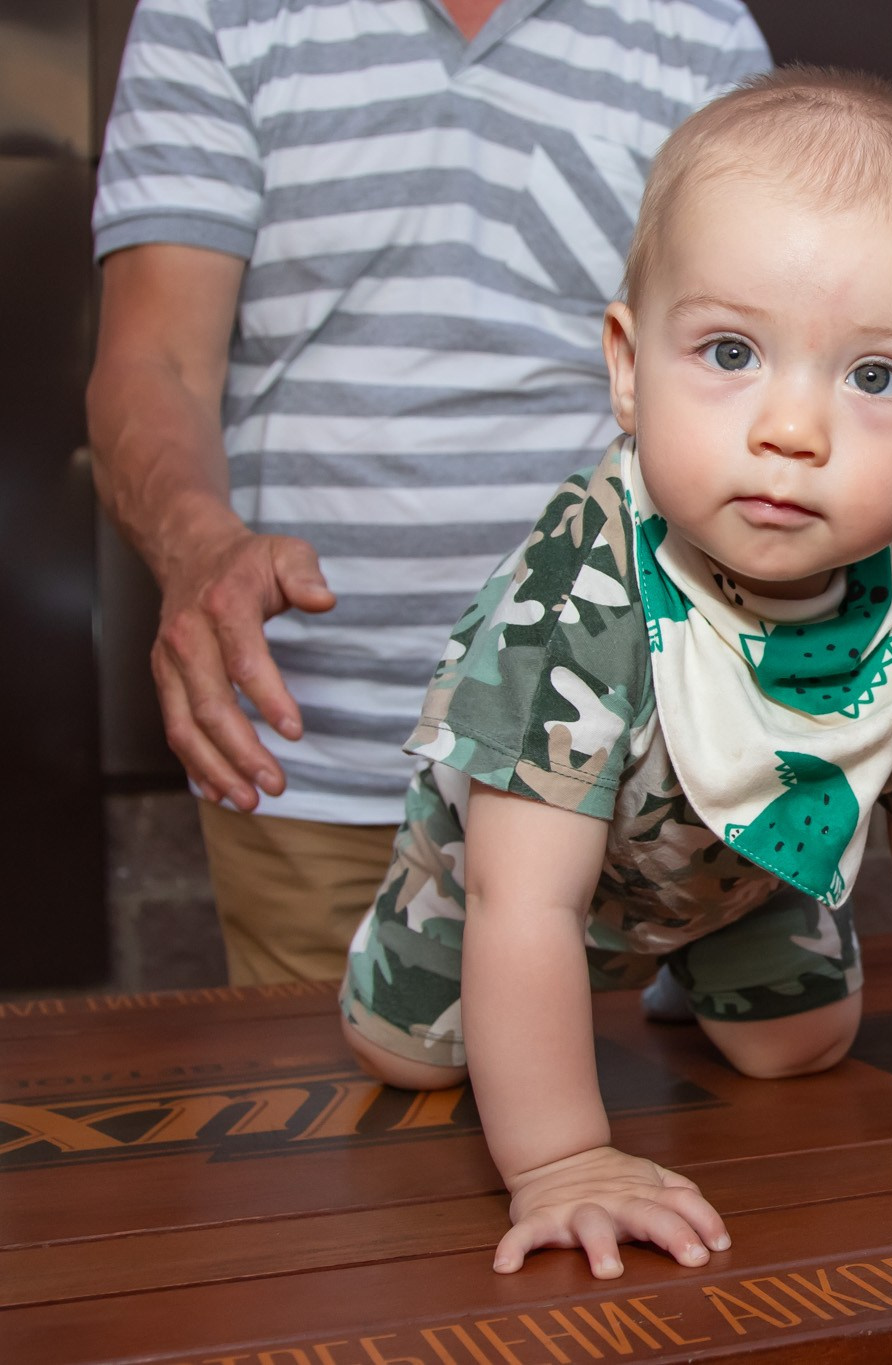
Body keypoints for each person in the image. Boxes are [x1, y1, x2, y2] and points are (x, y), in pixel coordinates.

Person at [341, 66, 892, 1278]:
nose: (791, 430)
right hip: (503, 888)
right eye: (728, 351)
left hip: (737, 877)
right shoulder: (578, 596)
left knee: (800, 1050)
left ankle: (700, 963)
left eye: (874, 378)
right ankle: (417, 958)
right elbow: (527, 903)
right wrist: (561, 1162)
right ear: (626, 363)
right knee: (411, 1057)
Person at [85, 0, 772, 985]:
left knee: (657, 1117)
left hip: (627, 757)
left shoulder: (695, 30)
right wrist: (197, 546)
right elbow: (151, 359)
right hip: (308, 752)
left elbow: (762, 364)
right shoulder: (212, 11)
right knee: (329, 1124)